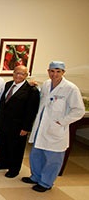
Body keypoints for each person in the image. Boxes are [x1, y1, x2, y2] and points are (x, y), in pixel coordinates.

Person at [22, 61, 85, 192]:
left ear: (63, 72)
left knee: (53, 159)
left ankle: (46, 183)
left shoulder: (70, 88)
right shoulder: (46, 84)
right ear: (48, 71)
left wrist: (62, 121)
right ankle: (35, 176)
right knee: (36, 154)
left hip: (56, 128)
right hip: (41, 127)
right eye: (52, 71)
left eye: (58, 71)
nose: (54, 74)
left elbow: (79, 110)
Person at [0, 65, 40, 178]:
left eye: (22, 74)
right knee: (3, 144)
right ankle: (3, 163)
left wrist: (26, 128)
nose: (18, 76)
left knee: (16, 148)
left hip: (18, 125)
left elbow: (31, 111)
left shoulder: (31, 90)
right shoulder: (8, 84)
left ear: (26, 75)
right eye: (16, 73)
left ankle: (14, 169)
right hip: (4, 123)